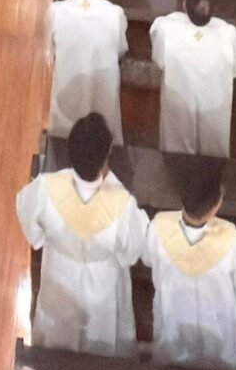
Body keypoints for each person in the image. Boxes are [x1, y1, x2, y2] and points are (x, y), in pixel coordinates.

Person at [15, 111, 148, 352]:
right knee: (101, 345)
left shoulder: (46, 189)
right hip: (103, 293)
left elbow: (31, 227)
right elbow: (131, 252)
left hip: (59, 281)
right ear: (106, 156)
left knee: (56, 345)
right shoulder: (122, 205)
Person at [143, 156, 236, 370]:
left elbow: (148, 259)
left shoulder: (159, 227)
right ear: (215, 206)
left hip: (172, 344)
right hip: (221, 351)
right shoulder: (232, 241)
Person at [151, 0, 236, 154]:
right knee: (213, 152)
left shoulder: (165, 29)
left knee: (176, 152)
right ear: (215, 9)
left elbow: (159, 60)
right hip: (214, 113)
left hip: (178, 115)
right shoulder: (231, 36)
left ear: (184, 4)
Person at [46, 0, 127, 139]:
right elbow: (120, 50)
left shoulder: (55, 12)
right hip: (104, 114)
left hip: (65, 112)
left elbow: (51, 50)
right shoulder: (114, 14)